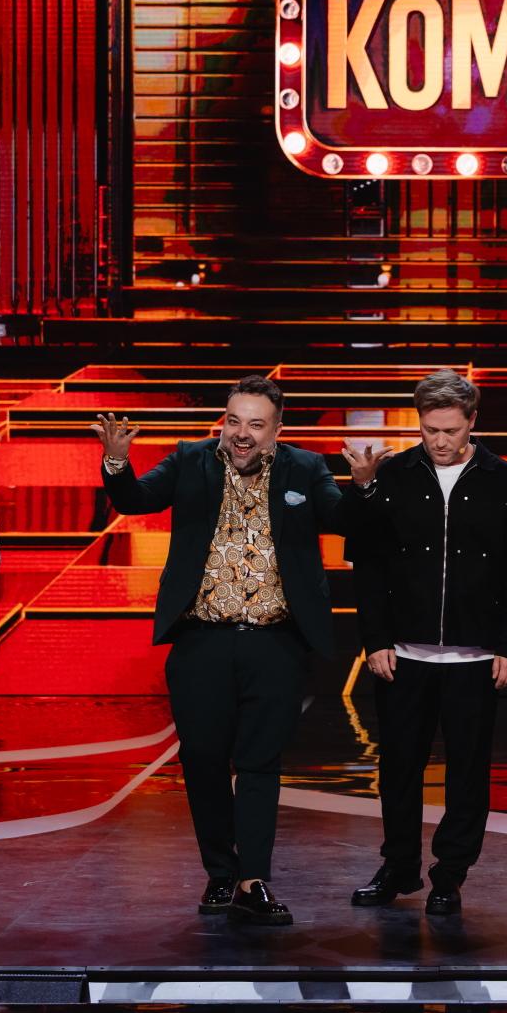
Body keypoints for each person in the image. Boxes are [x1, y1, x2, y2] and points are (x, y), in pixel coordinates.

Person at [92, 376, 345, 925]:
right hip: (201, 641)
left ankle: (253, 880)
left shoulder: (306, 469)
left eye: (256, 424)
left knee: (259, 762)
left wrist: (365, 487)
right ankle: (220, 872)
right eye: (234, 421)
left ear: (277, 429)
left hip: (275, 644)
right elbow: (135, 499)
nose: (242, 433)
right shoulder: (191, 460)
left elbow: (341, 517)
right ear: (222, 422)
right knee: (203, 759)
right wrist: (117, 462)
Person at [338, 370, 507, 916]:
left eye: (450, 430)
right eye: (430, 429)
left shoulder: (505, 481)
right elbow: (367, 563)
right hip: (403, 654)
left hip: (475, 657)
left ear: (472, 422)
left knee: (467, 773)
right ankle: (398, 866)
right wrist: (375, 639)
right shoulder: (393, 476)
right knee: (398, 769)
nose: (439, 440)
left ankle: (450, 875)